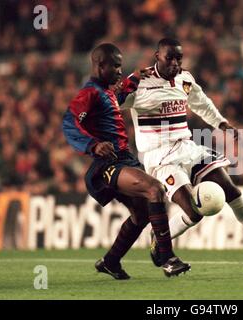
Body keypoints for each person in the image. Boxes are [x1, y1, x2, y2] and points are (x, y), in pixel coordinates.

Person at [119, 38, 243, 269]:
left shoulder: (185, 79)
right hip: (160, 157)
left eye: (178, 58)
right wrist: (129, 81)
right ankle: (160, 239)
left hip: (188, 148)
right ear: (157, 56)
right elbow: (114, 103)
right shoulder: (142, 83)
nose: (174, 63)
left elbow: (202, 103)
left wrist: (221, 123)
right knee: (193, 213)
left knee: (232, 191)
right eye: (169, 57)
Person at [62, 43, 190, 279]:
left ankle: (110, 262)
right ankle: (168, 258)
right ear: (100, 65)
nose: (120, 71)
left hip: (125, 159)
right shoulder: (88, 93)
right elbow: (69, 123)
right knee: (154, 189)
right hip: (108, 164)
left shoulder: (107, 92)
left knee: (141, 215)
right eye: (116, 66)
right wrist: (94, 145)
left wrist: (136, 77)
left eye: (121, 66)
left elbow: (120, 93)